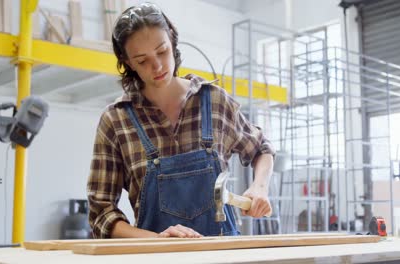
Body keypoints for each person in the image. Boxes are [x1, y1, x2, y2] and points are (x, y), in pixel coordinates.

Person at [87, 2, 275, 239]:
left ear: (172, 40)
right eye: (142, 60)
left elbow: (262, 148)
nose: (157, 66)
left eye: (162, 51)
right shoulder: (116, 121)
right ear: (127, 62)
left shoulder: (215, 102)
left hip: (222, 257)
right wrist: (158, 241)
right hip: (155, 259)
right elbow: (101, 214)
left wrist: (259, 187)